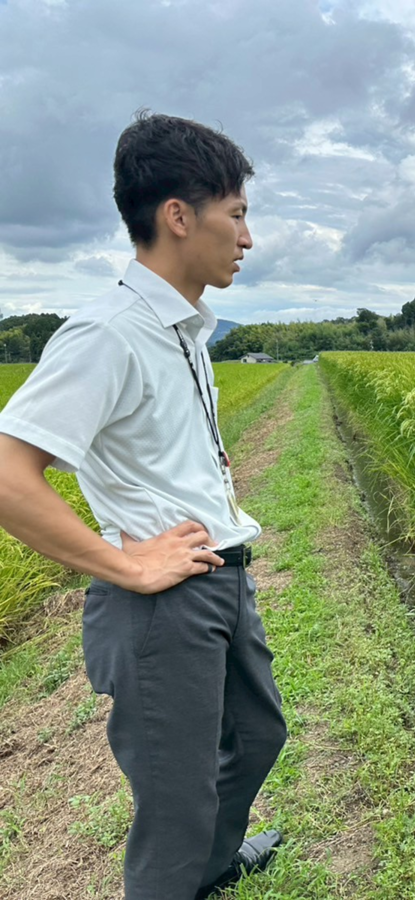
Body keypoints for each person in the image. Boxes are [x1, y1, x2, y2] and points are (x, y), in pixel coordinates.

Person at [0, 112, 287, 900]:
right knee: (175, 803)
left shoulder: (185, 331)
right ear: (178, 215)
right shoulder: (107, 332)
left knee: (259, 736)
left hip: (218, 574)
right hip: (164, 606)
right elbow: (8, 474)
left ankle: (213, 867)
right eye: (237, 214)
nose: (247, 237)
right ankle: (182, 875)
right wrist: (125, 564)